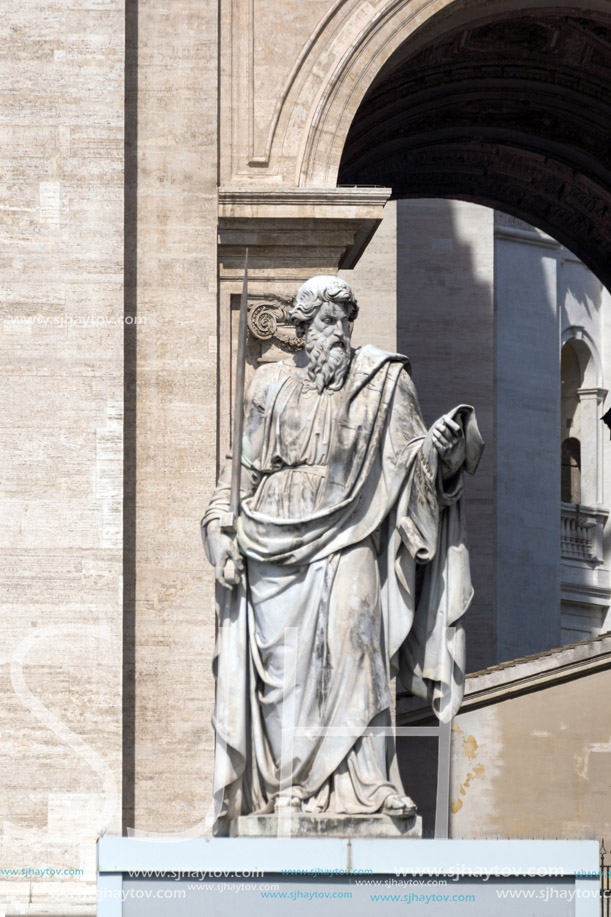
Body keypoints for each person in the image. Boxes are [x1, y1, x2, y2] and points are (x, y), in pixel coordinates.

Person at [202, 275, 483, 836]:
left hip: (354, 530)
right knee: (286, 670)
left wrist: (440, 449)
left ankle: (367, 780)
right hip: (273, 538)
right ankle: (289, 786)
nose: (340, 333)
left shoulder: (383, 381)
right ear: (303, 332)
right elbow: (238, 476)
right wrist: (220, 533)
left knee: (359, 639)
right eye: (328, 322)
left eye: (345, 321)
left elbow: (409, 459)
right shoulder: (269, 386)